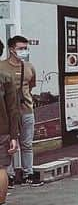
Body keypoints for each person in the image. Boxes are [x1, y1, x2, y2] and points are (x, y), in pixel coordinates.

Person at [4, 34, 37, 185]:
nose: (24, 51)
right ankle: (8, 175)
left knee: (27, 143)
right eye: (20, 48)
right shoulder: (2, 67)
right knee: (8, 144)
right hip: (7, 112)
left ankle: (28, 173)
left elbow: (30, 86)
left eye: (26, 48)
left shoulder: (29, 67)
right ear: (12, 50)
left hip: (26, 110)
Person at [0, 39, 21, 205]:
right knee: (1, 169)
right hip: (2, 129)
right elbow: (13, 109)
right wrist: (14, 135)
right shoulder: (6, 77)